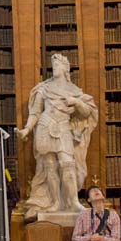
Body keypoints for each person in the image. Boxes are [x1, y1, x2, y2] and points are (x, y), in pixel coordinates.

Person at [18, 53, 98, 216]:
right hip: (44, 127)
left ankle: (73, 202)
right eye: (53, 65)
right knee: (50, 167)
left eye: (58, 65)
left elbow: (86, 112)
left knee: (67, 164)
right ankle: (55, 202)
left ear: (65, 68)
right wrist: (26, 129)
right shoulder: (44, 88)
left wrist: (76, 102)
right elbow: (35, 112)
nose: (54, 67)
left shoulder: (74, 91)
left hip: (63, 128)